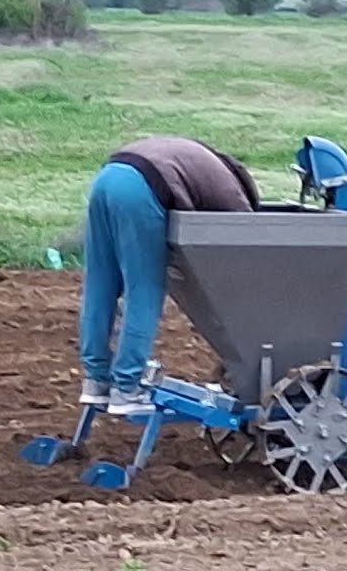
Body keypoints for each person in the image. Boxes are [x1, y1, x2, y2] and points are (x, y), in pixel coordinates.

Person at [78, 136, 260, 415]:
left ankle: (96, 380)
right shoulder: (234, 196)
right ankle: (126, 388)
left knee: (100, 285)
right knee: (145, 290)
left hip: (107, 178)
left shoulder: (203, 161)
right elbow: (246, 242)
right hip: (141, 190)